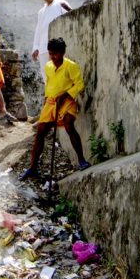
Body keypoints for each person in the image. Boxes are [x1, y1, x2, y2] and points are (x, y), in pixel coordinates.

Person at [19, 38, 90, 180]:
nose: (53, 57)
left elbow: (80, 84)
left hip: (67, 101)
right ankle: (33, 168)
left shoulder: (71, 66)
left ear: (63, 52)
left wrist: (65, 94)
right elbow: (49, 84)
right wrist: (47, 98)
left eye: (56, 54)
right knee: (40, 133)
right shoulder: (48, 66)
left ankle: (82, 160)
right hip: (51, 102)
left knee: (69, 124)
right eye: (51, 54)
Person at [31, 0, 71, 81]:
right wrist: (35, 47)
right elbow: (38, 30)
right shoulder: (41, 11)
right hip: (43, 48)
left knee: (60, 74)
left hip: (57, 47)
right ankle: (50, 96)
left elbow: (71, 18)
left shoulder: (60, 4)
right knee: (46, 76)